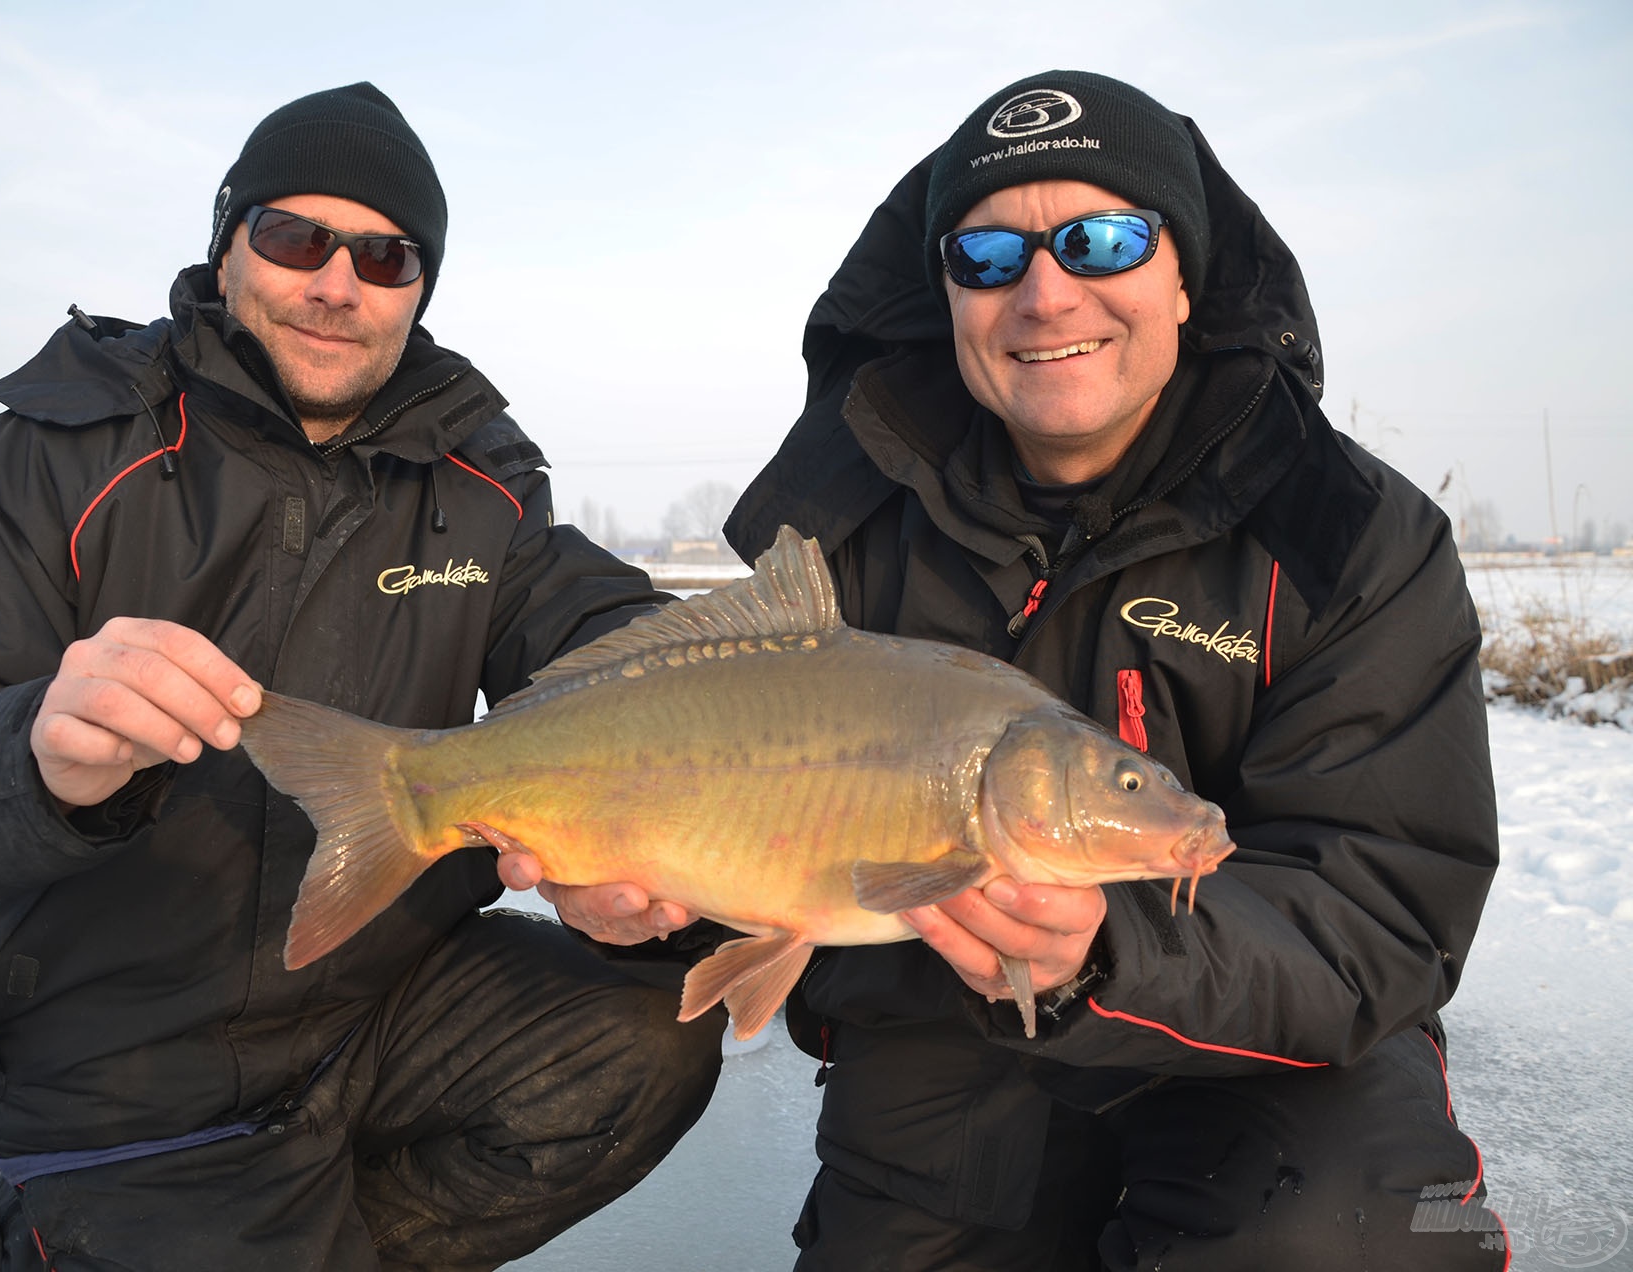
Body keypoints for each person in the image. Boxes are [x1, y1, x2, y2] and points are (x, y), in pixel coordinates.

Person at [527, 70, 1509, 1268]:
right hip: (938, 1072)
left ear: (1184, 273)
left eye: (1104, 241)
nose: (1047, 293)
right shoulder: (847, 527)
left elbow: (1383, 909)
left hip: (1268, 1068)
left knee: (1344, 1236)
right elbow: (754, 825)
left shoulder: (1353, 534)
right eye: (989, 256)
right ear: (946, 293)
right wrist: (641, 902)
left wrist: (1109, 954)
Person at [0, 82, 722, 1271]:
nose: (338, 283)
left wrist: (722, 799)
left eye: (386, 255)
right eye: (298, 237)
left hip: (377, 1014)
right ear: (229, 243)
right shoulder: (61, 448)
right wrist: (40, 755)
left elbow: (627, 646)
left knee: (645, 1035)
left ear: (420, 287)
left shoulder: (483, 488)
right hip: (126, 1074)